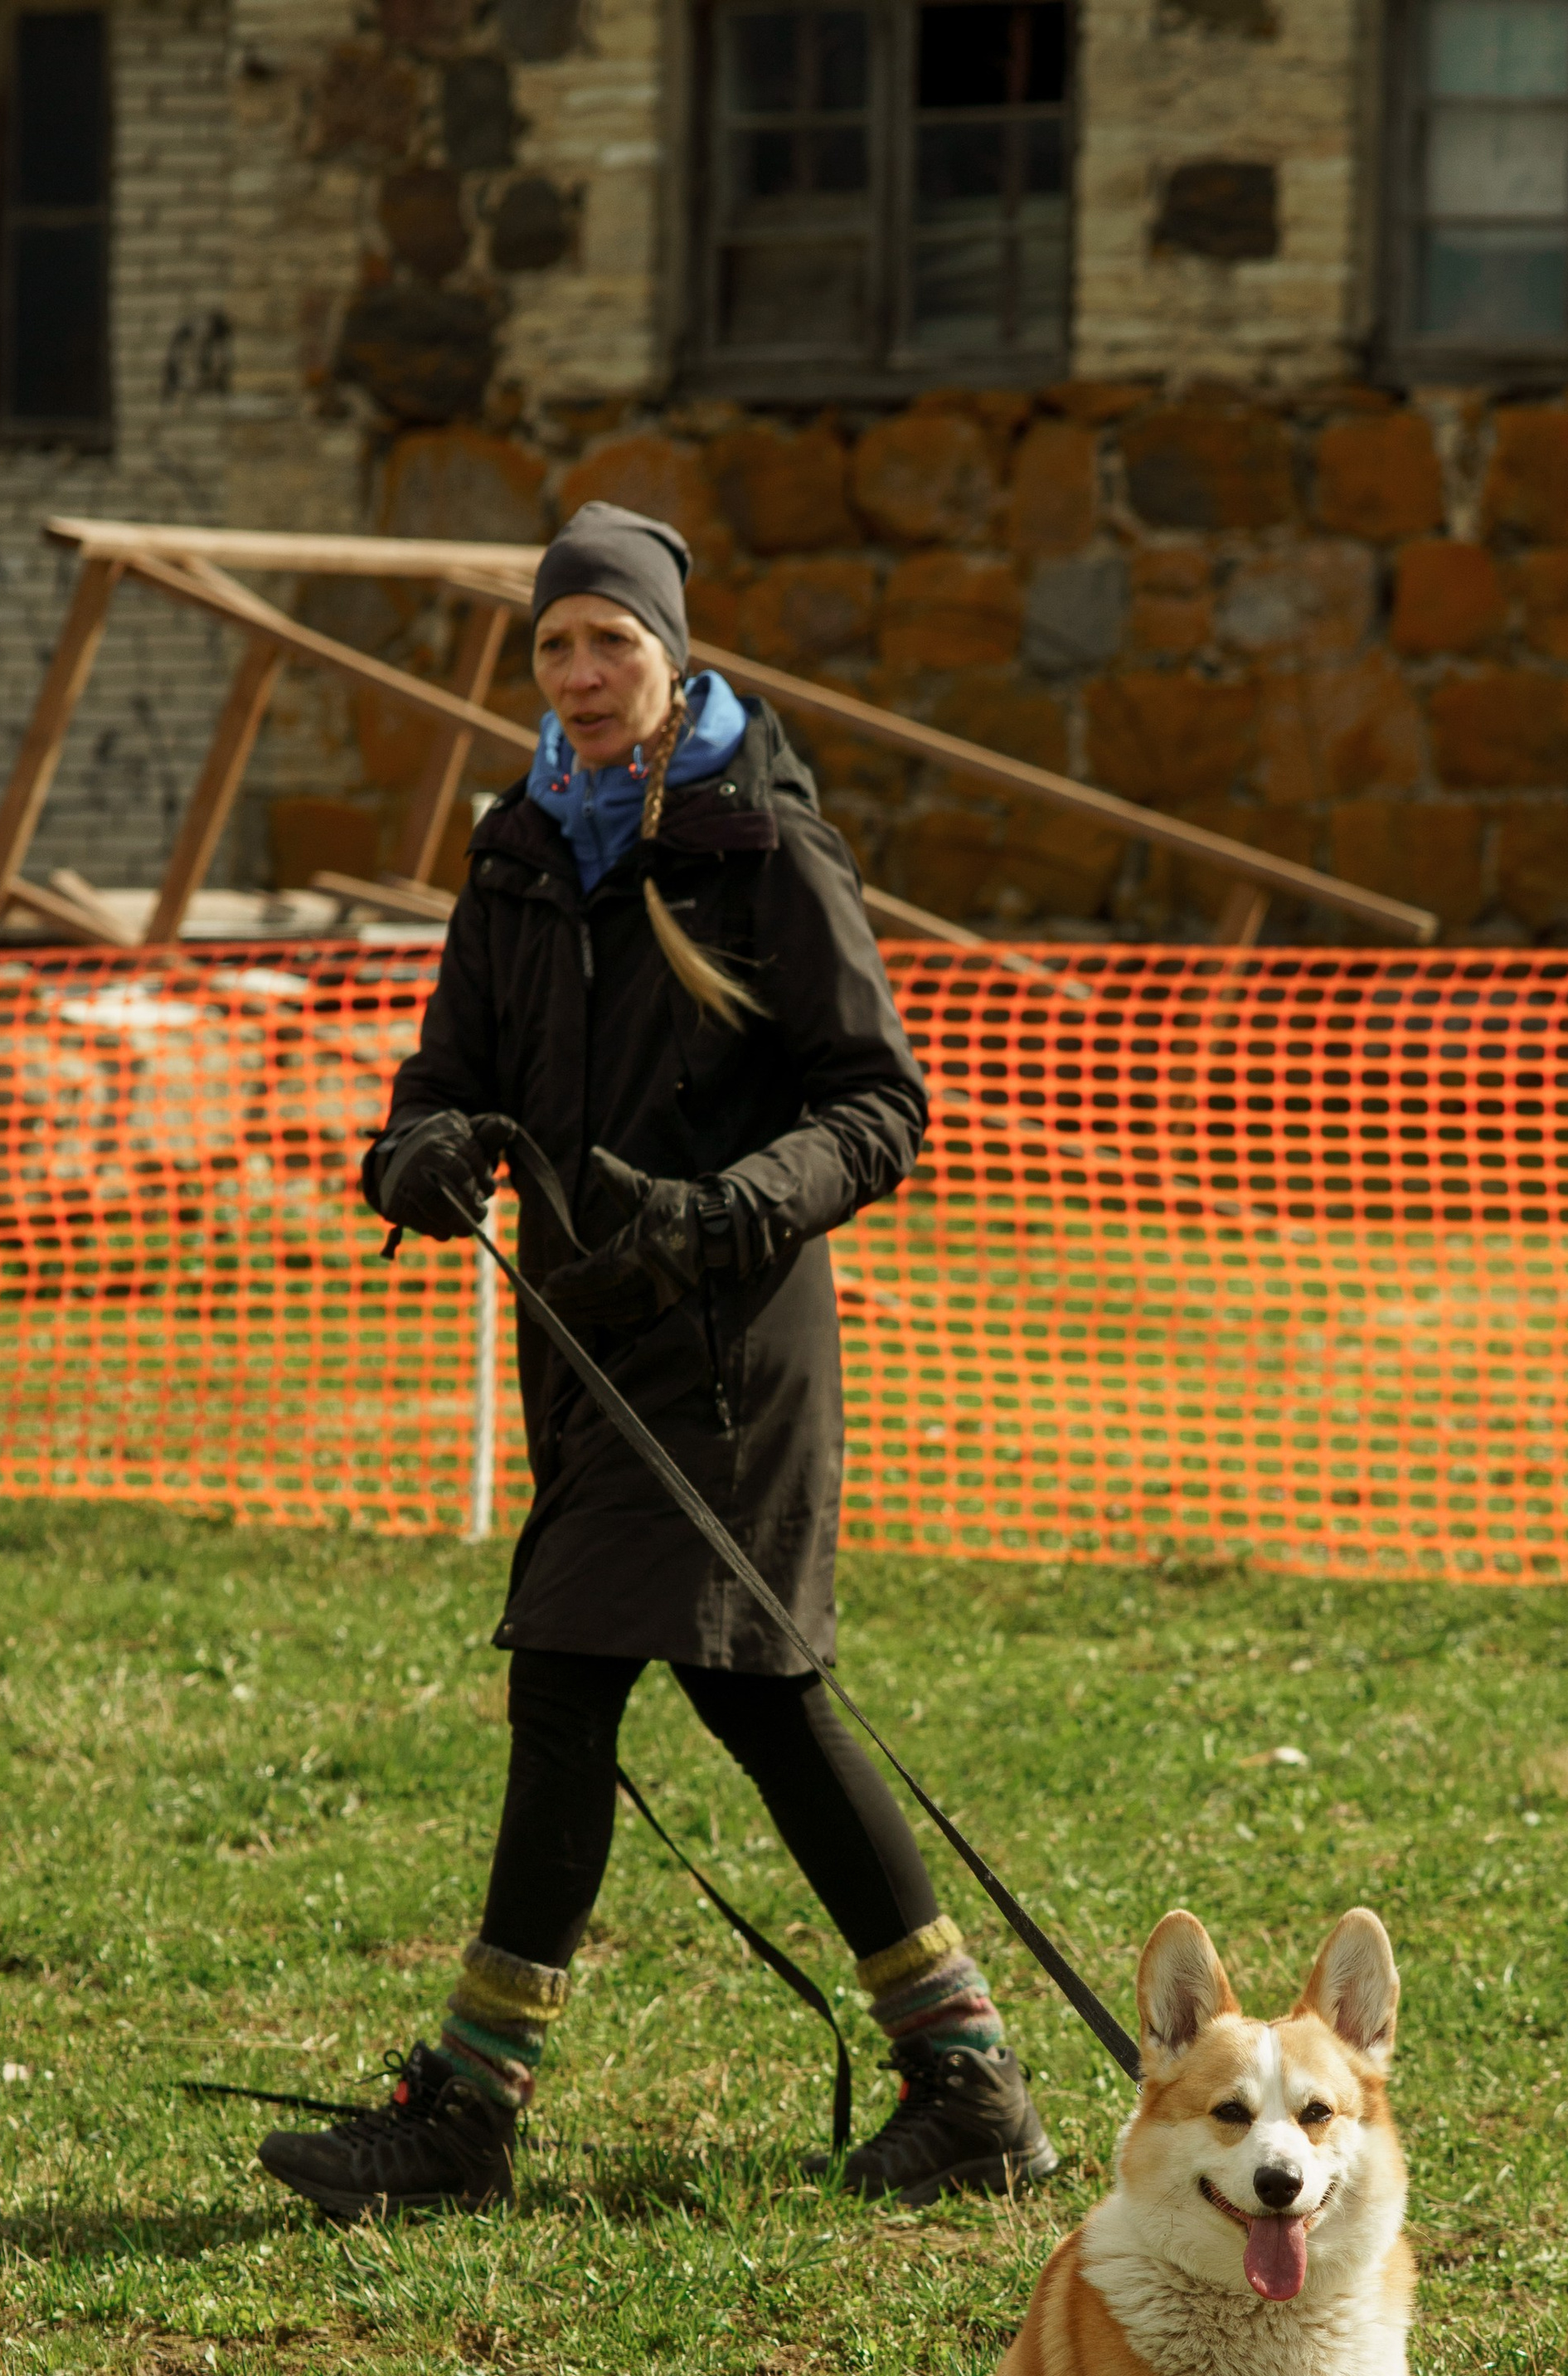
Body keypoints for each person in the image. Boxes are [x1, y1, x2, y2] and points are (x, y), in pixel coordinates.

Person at [252, 500, 1058, 2224]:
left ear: (670, 657)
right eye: (553, 645)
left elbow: (878, 1109)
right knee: (751, 1701)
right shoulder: (517, 853)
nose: (580, 670)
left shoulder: (760, 846)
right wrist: (415, 1150)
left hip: (727, 1345)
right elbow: (446, 1067)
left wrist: (719, 1211)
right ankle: (964, 2076)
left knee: (591, 1683)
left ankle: (471, 2110)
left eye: (608, 639)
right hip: (583, 1344)